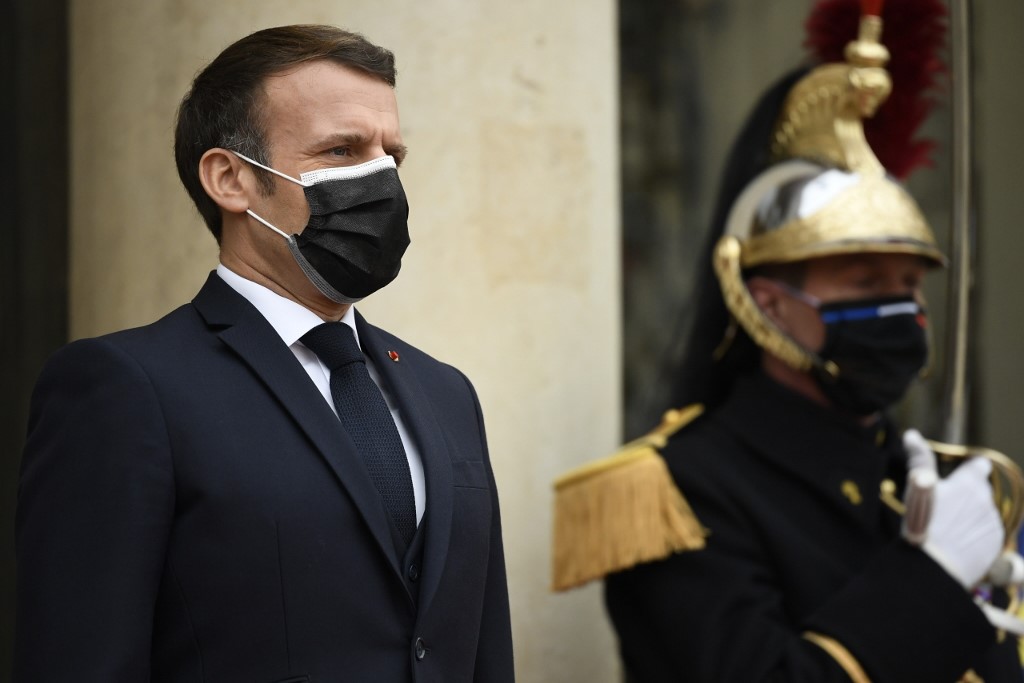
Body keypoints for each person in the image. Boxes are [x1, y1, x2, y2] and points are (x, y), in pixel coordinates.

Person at [14, 24, 514, 682]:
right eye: (342, 149)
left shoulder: (446, 393)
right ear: (231, 178)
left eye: (392, 154)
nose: (382, 179)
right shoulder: (128, 388)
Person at [553, 2, 1022, 681]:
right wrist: (930, 578)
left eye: (909, 283)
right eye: (865, 281)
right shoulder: (680, 491)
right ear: (766, 303)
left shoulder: (933, 477)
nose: (900, 306)